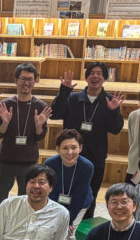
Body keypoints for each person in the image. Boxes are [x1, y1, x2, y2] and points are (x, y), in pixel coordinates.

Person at [52, 62, 126, 219]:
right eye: (92, 73)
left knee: (89, 197)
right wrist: (64, 91)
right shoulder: (73, 98)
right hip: (70, 155)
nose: (95, 76)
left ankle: (86, 227)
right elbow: (55, 113)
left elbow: (115, 129)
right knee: (64, 193)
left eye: (99, 73)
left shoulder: (110, 100)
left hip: (96, 156)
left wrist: (113, 111)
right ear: (86, 77)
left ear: (104, 78)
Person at [0, 62, 52, 203]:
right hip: (6, 159)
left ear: (34, 82)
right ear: (16, 80)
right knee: (0, 197)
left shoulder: (40, 106)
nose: (26, 83)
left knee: (26, 199)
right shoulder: (5, 105)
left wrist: (39, 125)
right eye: (23, 79)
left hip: (29, 161)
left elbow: (40, 136)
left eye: (30, 79)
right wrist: (5, 123)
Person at [44, 129, 95, 240]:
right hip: (55, 202)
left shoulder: (87, 166)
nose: (70, 152)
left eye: (74, 147)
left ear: (80, 148)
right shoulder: (50, 164)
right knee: (49, 231)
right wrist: (55, 216)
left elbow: (80, 196)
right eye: (65, 148)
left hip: (78, 204)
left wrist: (69, 221)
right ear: (57, 149)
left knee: (68, 236)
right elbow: (50, 190)